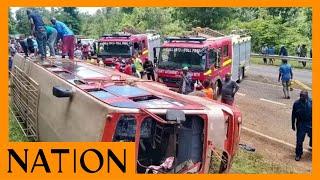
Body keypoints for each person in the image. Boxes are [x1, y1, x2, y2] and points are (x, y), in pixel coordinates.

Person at [292, 90, 312, 161]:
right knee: (299, 140)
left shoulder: (312, 102)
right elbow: (293, 115)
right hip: (301, 124)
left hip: (310, 123)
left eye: (303, 96)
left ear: (307, 97)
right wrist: (293, 125)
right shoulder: (296, 104)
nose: (301, 98)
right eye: (301, 96)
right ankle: (298, 154)